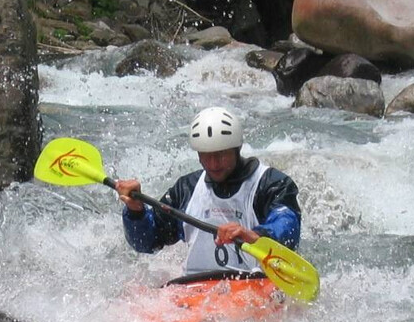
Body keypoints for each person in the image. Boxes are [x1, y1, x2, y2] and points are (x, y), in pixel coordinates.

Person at [114, 107, 302, 280]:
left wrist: (255, 236)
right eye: (206, 155)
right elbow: (145, 243)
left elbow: (287, 226)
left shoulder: (271, 185)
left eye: (221, 154)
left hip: (252, 284)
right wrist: (136, 211)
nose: (213, 164)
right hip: (197, 290)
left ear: (236, 149)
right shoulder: (186, 188)